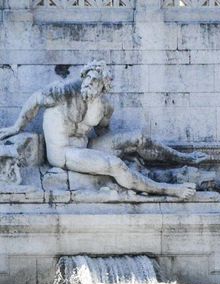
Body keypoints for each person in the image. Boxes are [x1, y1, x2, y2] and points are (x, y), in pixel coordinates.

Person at [0, 61, 207, 199]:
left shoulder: (104, 107)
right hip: (62, 152)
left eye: (95, 81)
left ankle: (184, 158)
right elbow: (35, 99)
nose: (89, 83)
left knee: (138, 139)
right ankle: (169, 190)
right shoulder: (65, 91)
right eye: (88, 78)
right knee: (115, 165)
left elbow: (104, 133)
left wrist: (123, 147)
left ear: (104, 86)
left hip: (85, 146)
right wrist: (17, 126)